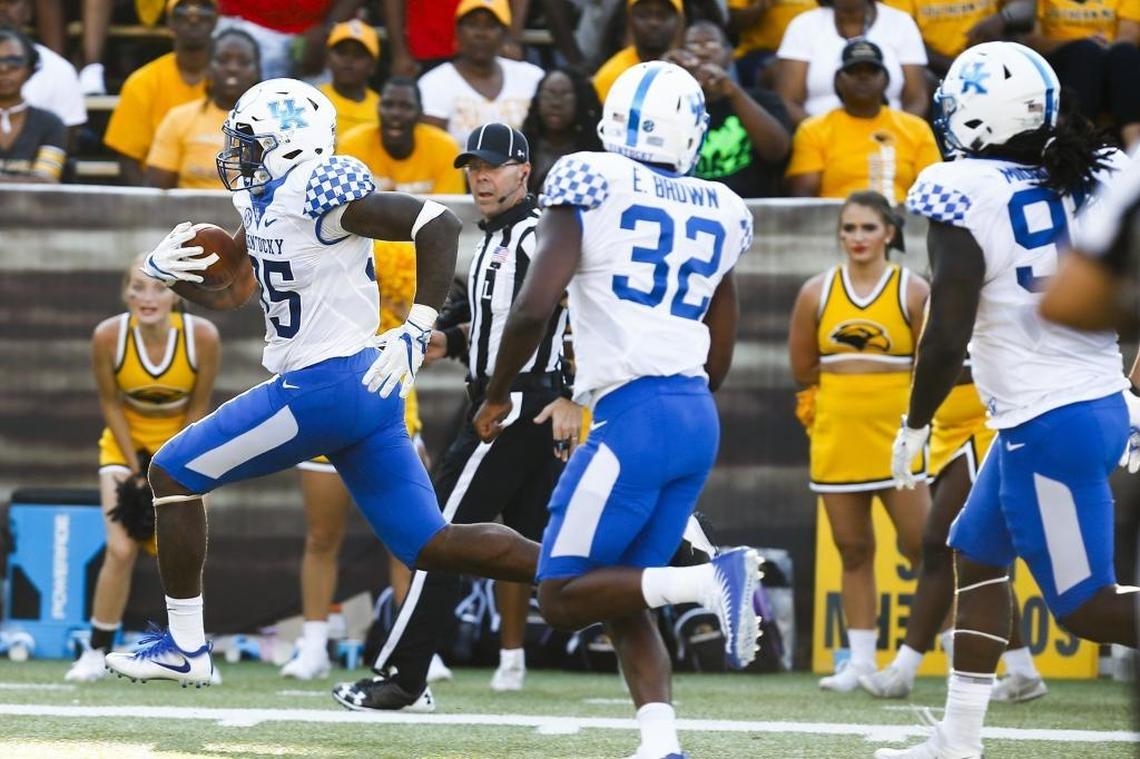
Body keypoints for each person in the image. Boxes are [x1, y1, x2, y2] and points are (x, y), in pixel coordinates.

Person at [102, 78, 543, 687]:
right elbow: (234, 291)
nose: (237, 155)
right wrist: (170, 277)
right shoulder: (263, 199)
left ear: (289, 144)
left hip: (326, 384)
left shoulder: (317, 184)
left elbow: (436, 223)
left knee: (172, 473)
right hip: (365, 393)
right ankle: (593, 568)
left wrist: (417, 326)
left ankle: (186, 646)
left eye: (248, 143)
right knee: (428, 543)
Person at [471, 61, 762, 759]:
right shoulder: (723, 206)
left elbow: (534, 306)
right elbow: (721, 350)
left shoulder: (587, 177)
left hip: (636, 412)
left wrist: (497, 389)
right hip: (693, 410)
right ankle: (660, 743)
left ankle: (709, 577)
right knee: (621, 592)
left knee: (563, 593)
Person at [876, 42, 1139, 759]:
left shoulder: (964, 188)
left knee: (1086, 606)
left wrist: (916, 420)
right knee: (976, 551)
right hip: (1077, 404)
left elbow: (946, 329)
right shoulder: (1095, 172)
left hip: (1046, 419)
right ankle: (959, 739)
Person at [332, 122, 583, 709]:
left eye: (493, 166)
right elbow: (499, 326)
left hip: (517, 403)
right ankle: (680, 571)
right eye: (474, 167)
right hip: (515, 397)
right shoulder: (497, 237)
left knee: (437, 535)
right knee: (551, 550)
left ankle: (403, 677)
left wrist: (571, 392)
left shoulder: (533, 235)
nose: (481, 177)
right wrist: (451, 342)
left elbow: (570, 314)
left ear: (525, 171)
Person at [281, 78, 463, 681]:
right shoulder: (321, 224)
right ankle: (311, 643)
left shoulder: (397, 234)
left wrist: (420, 329)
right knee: (320, 532)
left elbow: (436, 244)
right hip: (328, 374)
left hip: (385, 383)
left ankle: (415, 642)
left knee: (412, 533)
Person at [787, 189, 930, 691]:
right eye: (848, 228)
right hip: (838, 435)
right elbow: (803, 366)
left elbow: (935, 365)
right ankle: (861, 662)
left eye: (868, 228)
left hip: (899, 440)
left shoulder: (913, 290)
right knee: (852, 549)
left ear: (889, 232)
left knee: (923, 547)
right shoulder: (816, 291)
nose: (857, 238)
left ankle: (957, 655)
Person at [65, 257, 220, 682]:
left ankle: (194, 649)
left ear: (175, 293)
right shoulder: (108, 336)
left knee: (186, 553)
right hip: (124, 447)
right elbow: (111, 403)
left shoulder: (202, 336)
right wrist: (136, 468)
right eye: (138, 288)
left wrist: (170, 465)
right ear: (125, 293)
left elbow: (198, 408)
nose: (147, 297)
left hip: (179, 450)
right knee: (120, 549)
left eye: (157, 288)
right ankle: (96, 650)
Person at [858, 358, 1047, 702]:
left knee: (939, 543)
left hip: (986, 419)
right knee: (978, 556)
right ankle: (1023, 671)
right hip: (945, 424)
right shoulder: (932, 300)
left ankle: (903, 668)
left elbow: (949, 345)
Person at [786, 39, 940, 202]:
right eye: (854, 70)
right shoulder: (813, 130)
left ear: (886, 80)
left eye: (872, 70)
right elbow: (803, 196)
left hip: (903, 222)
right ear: (838, 80)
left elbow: (933, 190)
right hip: (837, 223)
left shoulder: (916, 128)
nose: (863, 76)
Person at [672, 20, 791, 199]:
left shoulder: (763, 100)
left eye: (712, 43)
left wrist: (732, 91)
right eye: (693, 45)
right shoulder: (672, 104)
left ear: (730, 54)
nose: (703, 51)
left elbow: (777, 152)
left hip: (750, 206)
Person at [103, 0, 218, 186]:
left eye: (204, 8)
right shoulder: (142, 82)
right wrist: (151, 207)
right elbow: (128, 159)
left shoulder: (231, 82)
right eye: (183, 9)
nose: (194, 16)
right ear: (170, 22)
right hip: (156, 194)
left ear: (216, 20)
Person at [775, 0, 929, 126]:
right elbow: (789, 101)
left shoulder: (901, 23)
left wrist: (895, 133)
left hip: (891, 140)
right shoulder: (803, 25)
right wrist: (825, 135)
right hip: (822, 142)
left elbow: (916, 99)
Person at [417, 0, 545, 148]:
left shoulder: (532, 77)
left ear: (504, 33)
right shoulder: (433, 83)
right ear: (458, 31)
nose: (481, 33)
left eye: (490, 26)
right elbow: (434, 149)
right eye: (472, 24)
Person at [145, 28, 262, 190]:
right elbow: (156, 189)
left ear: (257, 71)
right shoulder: (178, 118)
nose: (232, 68)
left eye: (243, 62)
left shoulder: (274, 126)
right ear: (208, 67)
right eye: (222, 60)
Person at [1024, 0, 1140, 149]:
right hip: (1061, 61)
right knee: (1086, 53)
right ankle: (1079, 147)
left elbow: (1130, 33)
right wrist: (1079, 42)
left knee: (1124, 53)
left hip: (1110, 58)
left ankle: (1136, 150)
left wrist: (1109, 46)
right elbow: (1032, 40)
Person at [883, 0, 1036, 77]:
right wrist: (957, 66)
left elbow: (1027, 9)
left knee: (1019, 47)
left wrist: (1003, 18)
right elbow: (903, 39)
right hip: (936, 68)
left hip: (990, 58)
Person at [0, 0, 85, 136]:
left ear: (28, 11)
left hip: (43, 156)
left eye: (11, 1)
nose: (2, 8)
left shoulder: (58, 69)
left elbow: (65, 144)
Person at [519, 66, 603, 194]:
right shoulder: (522, 150)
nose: (556, 103)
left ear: (580, 100)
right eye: (549, 94)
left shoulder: (596, 154)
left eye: (565, 95)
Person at [0, 26, 65, 183]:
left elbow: (46, 182)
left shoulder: (50, 123)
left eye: (14, 63)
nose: (3, 69)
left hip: (33, 208)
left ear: (31, 68)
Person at [592, 0, 683, 103]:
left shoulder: (689, 71)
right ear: (629, 20)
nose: (654, 23)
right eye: (644, 15)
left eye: (662, 15)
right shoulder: (612, 76)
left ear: (679, 21)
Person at [727, 0, 817, 88]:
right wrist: (761, 5)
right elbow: (731, 24)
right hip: (762, 53)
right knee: (783, 72)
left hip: (815, 50)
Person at [318, 20, 380, 141]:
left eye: (358, 55)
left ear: (373, 66)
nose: (348, 60)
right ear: (327, 59)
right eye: (341, 52)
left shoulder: (382, 109)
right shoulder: (313, 100)